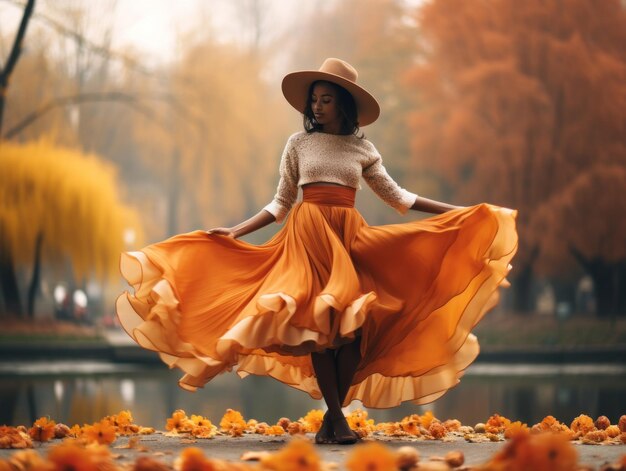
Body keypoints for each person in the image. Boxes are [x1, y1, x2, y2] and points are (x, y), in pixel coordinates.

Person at [117, 58, 518, 445]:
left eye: (325, 99)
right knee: (322, 331)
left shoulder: (363, 149)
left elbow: (399, 197)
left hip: (347, 241)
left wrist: (460, 212)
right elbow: (280, 204)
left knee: (354, 334)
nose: (317, 106)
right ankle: (339, 420)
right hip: (306, 241)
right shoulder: (298, 144)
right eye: (314, 99)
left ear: (343, 103)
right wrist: (237, 231)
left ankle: (331, 419)